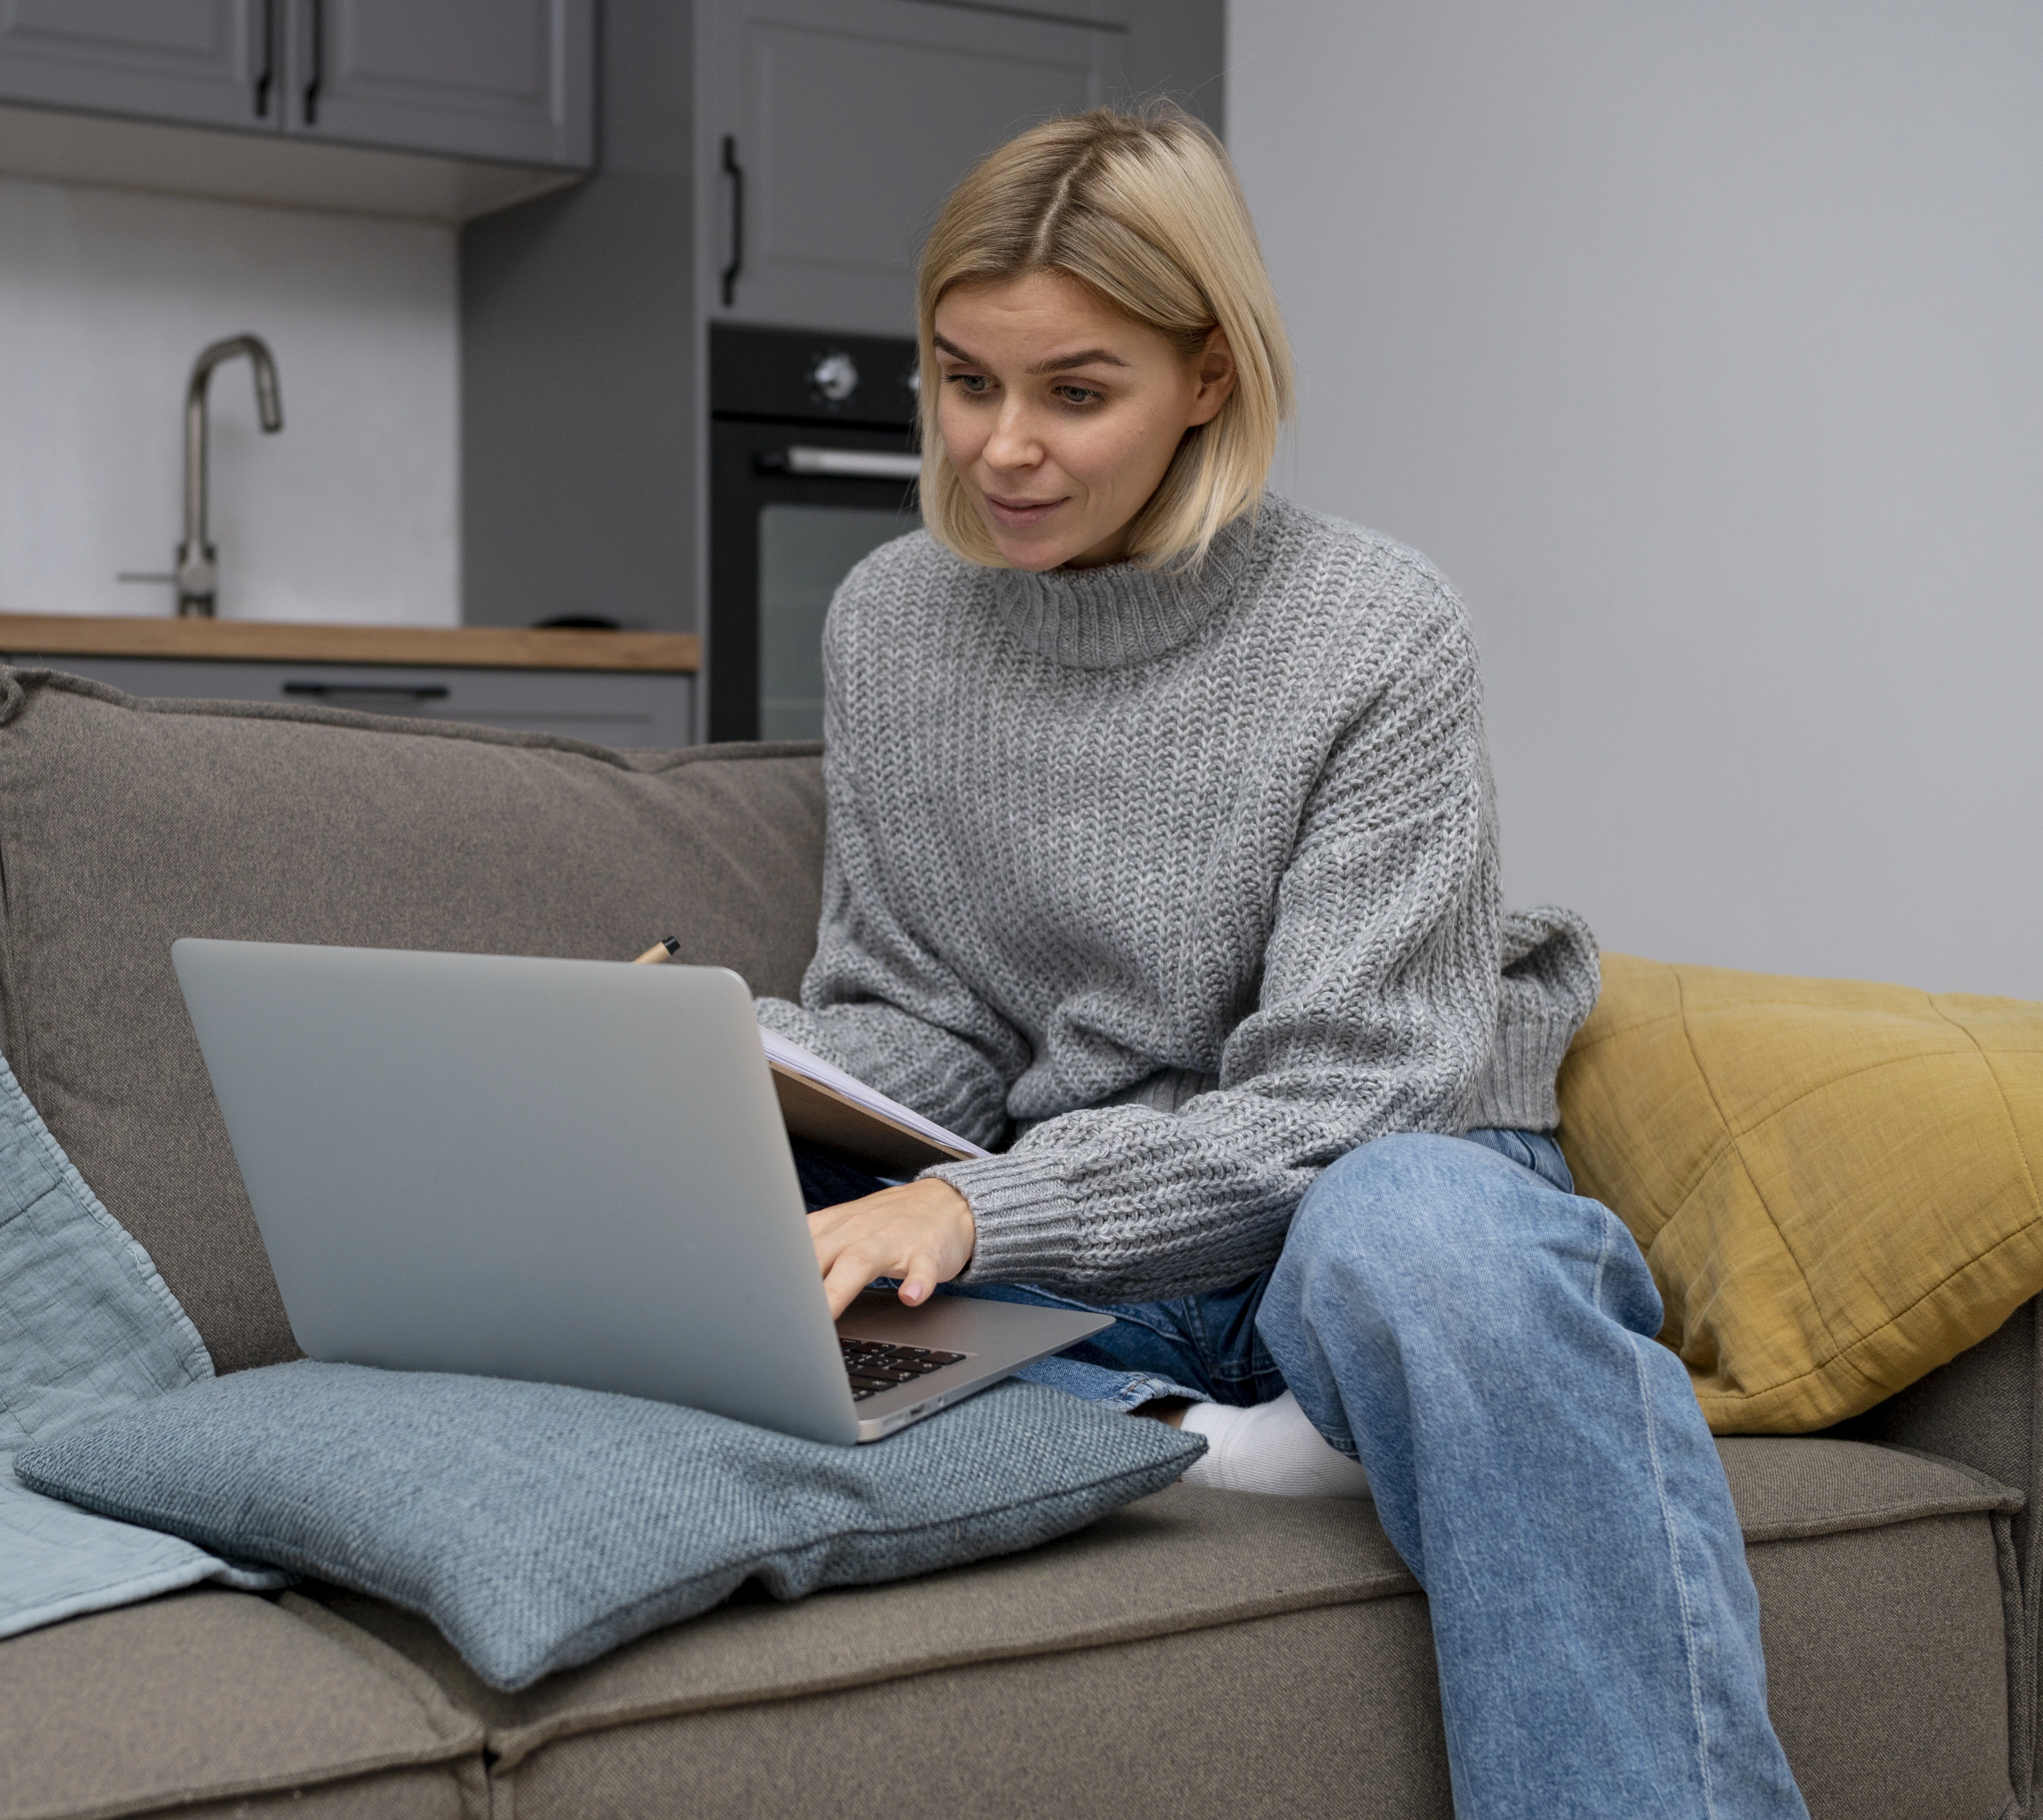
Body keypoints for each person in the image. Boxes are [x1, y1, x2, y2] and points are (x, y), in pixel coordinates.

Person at [756, 107, 1809, 1818]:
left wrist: (978, 1216)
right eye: (964, 382)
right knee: (721, 1183)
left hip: (1362, 1181)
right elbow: (922, 1009)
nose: (1001, 448)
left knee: (1426, 1251)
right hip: (1096, 1217)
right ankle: (1241, 1431)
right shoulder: (890, 616)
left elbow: (1351, 1096)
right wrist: (758, 1063)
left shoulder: (1372, 629)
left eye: (1074, 393)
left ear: (1210, 379)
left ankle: (1277, 1400)